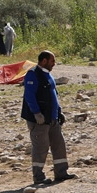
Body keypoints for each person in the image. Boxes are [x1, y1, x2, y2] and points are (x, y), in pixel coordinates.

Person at [21, 50, 75, 184]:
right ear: (44, 61)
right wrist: (36, 113)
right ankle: (38, 177)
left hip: (52, 118)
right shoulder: (32, 75)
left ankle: (61, 172)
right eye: (52, 61)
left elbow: (53, 95)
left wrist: (59, 111)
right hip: (39, 120)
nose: (54, 64)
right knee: (40, 147)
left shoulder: (48, 75)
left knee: (59, 145)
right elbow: (30, 96)